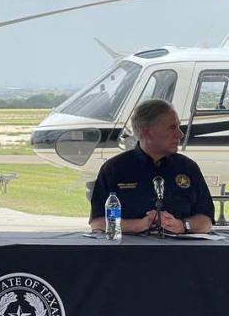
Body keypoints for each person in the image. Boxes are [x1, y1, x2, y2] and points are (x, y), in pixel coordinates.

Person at [89, 99, 214, 235]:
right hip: (129, 252)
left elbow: (206, 220)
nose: (180, 134)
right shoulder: (114, 169)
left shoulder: (188, 168)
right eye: (172, 128)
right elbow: (98, 222)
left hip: (180, 253)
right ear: (147, 132)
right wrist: (139, 225)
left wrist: (183, 225)